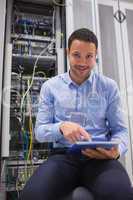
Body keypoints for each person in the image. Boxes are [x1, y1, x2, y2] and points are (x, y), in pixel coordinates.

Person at [20, 28, 133, 200]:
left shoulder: (108, 87)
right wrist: (61, 127)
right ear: (67, 53)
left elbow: (121, 131)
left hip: (99, 159)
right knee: (32, 195)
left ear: (96, 55)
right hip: (63, 157)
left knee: (122, 194)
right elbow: (40, 132)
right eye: (76, 55)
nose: (82, 62)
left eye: (89, 56)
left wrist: (116, 152)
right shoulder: (50, 87)